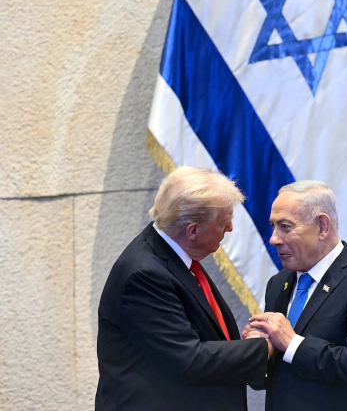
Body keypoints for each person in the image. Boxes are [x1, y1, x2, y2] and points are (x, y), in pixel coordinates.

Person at [96, 166, 271, 411]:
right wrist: (266, 347)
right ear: (193, 230)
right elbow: (191, 361)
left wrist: (242, 346)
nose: (230, 228)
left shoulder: (174, 256)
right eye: (223, 222)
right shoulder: (144, 275)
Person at [244, 181, 347, 410]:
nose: (274, 239)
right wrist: (257, 351)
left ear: (322, 227)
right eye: (273, 226)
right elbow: (272, 376)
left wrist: (291, 343)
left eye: (285, 227)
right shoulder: (278, 283)